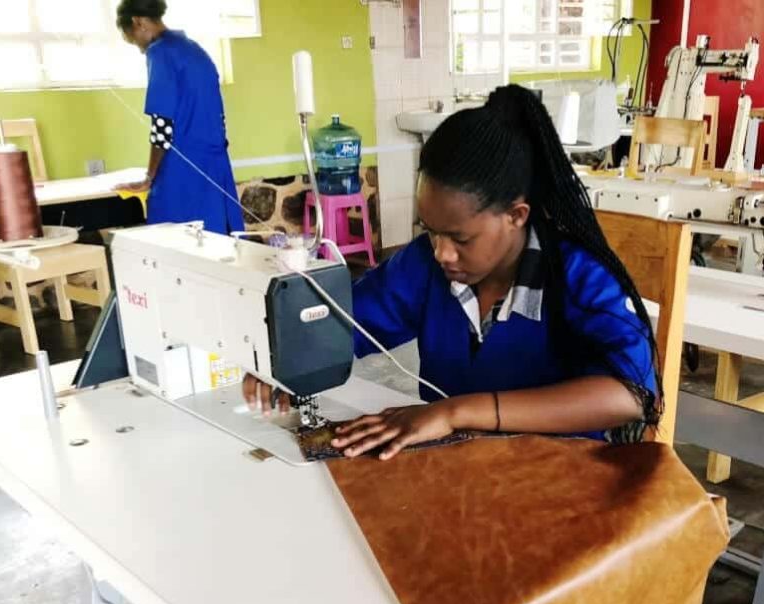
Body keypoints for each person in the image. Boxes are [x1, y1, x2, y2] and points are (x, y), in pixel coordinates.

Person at [243, 85, 661, 460]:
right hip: (457, 469)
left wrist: (456, 411)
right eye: (431, 231)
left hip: (558, 476)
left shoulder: (578, 275)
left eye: (460, 238)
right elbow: (344, 323)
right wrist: (287, 360)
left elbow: (630, 395)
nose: (442, 252)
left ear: (516, 216)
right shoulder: (422, 266)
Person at [114, 0, 243, 235]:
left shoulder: (160, 52)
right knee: (218, 237)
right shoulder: (193, 49)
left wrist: (149, 176)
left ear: (138, 22)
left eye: (133, 40)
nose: (139, 47)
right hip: (215, 162)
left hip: (184, 165)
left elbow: (162, 124)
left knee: (177, 240)